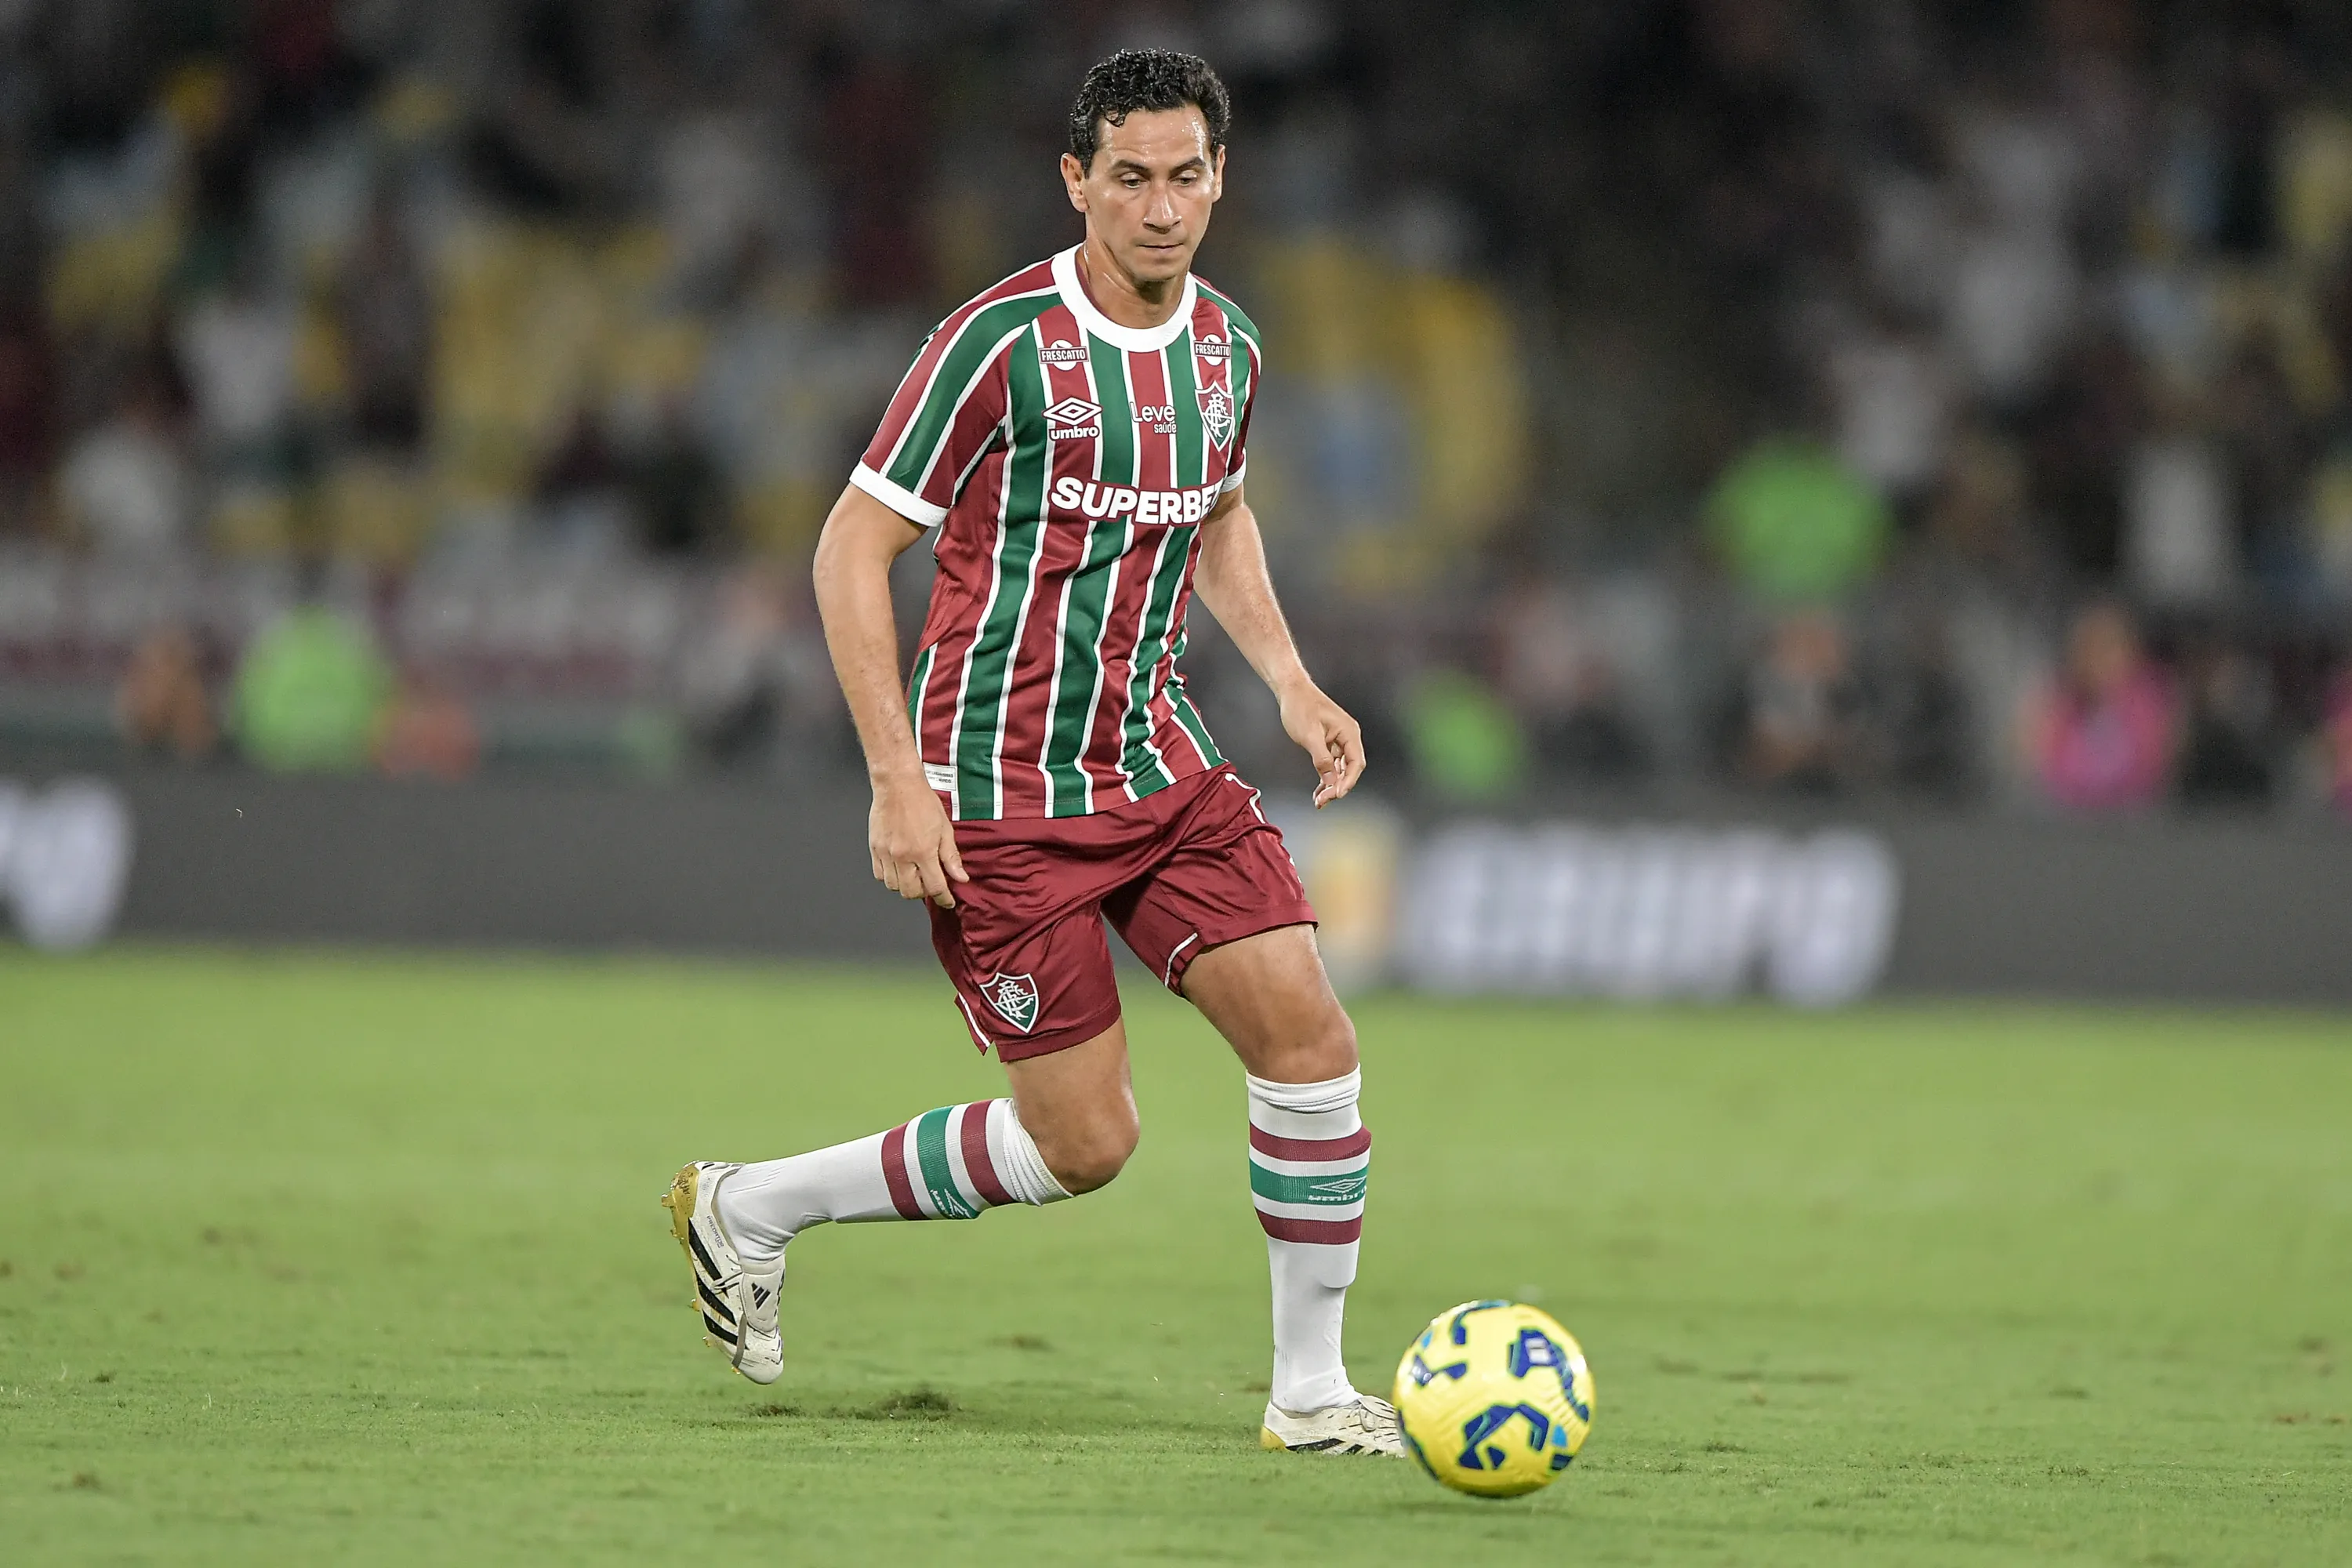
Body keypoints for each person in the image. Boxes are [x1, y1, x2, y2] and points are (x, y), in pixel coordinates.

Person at [661, 50, 1398, 1457]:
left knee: (1310, 1038)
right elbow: (848, 548)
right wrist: (894, 777)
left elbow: (1219, 513)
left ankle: (1310, 1393)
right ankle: (754, 1205)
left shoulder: (1232, 347)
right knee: (1085, 1146)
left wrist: (1295, 683)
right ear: (1077, 182)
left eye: (1187, 176)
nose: (1163, 207)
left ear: (1221, 177)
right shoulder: (997, 346)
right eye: (1132, 177)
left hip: (1162, 765)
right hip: (997, 798)